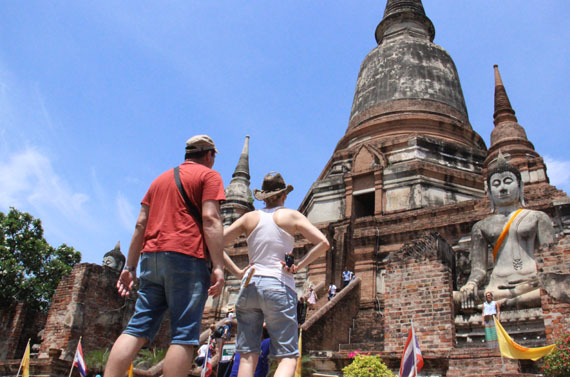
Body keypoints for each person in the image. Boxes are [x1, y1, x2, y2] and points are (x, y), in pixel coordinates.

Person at [103, 135, 226, 377]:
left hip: (151, 257)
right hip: (187, 255)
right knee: (184, 334)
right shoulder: (209, 176)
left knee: (136, 328)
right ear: (209, 155)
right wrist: (219, 265)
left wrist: (129, 267)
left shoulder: (159, 180)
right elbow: (210, 219)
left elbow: (140, 224)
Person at [223, 172, 330, 377]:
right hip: (278, 284)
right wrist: (299, 265)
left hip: (249, 285)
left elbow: (215, 243)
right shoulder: (291, 215)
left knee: (247, 354)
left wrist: (237, 272)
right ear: (284, 196)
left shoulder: (249, 217)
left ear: (264, 196)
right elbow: (323, 243)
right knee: (287, 356)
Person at [458, 153, 554, 309]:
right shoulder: (482, 226)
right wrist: (471, 284)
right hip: (496, 286)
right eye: (496, 184)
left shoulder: (537, 217)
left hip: (532, 282)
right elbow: (479, 269)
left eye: (507, 182)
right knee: (457, 298)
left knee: (554, 289)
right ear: (488, 191)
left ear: (520, 186)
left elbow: (552, 259)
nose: (502, 188)